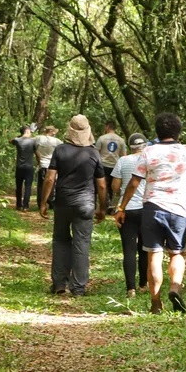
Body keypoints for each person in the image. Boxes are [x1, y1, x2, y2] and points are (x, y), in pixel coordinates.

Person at [118, 113, 186, 314]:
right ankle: (175, 286)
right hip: (179, 209)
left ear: (157, 132)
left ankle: (156, 302)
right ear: (179, 131)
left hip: (153, 208)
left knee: (154, 255)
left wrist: (121, 207)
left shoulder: (149, 152)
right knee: (177, 253)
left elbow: (134, 182)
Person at [38, 115, 107, 296]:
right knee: (82, 243)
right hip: (85, 205)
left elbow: (50, 178)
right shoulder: (94, 153)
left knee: (60, 240)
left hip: (63, 203)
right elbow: (101, 184)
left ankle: (59, 284)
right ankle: (78, 287)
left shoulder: (60, 150)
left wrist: (43, 202)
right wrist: (102, 207)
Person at [111, 133, 149, 298]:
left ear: (129, 146)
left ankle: (130, 289)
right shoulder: (150, 160)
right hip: (147, 208)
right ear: (145, 146)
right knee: (145, 249)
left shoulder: (122, 161)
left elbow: (115, 186)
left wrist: (119, 196)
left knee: (129, 249)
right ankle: (143, 284)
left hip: (127, 209)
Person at [10, 126, 39, 211]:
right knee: (28, 187)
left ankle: (18, 205)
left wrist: (20, 136)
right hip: (29, 167)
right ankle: (25, 206)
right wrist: (39, 162)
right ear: (26, 131)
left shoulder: (17, 141)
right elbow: (37, 154)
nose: (31, 133)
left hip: (19, 167)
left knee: (18, 186)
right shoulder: (33, 141)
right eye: (30, 131)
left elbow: (10, 140)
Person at [35, 125, 62, 208]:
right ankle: (51, 202)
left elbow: (28, 142)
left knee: (41, 185)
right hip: (52, 166)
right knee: (52, 184)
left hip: (42, 165)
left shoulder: (38, 138)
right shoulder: (57, 141)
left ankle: (40, 202)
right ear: (51, 131)